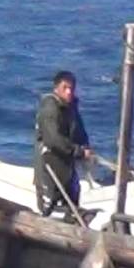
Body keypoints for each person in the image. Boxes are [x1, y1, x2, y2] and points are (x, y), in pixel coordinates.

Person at [34, 70, 91, 217]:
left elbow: (79, 131)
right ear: (56, 88)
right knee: (50, 203)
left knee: (72, 198)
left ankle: (72, 218)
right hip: (50, 165)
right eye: (65, 88)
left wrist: (85, 146)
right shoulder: (50, 109)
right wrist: (77, 151)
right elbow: (53, 140)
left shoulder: (71, 108)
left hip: (67, 167)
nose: (69, 92)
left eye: (71, 88)